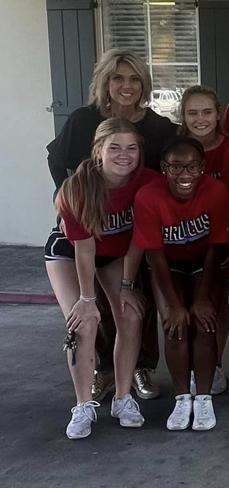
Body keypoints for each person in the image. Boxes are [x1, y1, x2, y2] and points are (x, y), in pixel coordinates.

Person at [47, 48, 176, 403]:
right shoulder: (82, 121)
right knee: (89, 310)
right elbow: (56, 160)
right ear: (104, 81)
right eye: (118, 77)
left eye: (135, 78)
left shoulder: (157, 126)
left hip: (131, 231)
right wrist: (68, 201)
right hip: (88, 226)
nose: (127, 85)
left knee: (135, 301)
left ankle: (140, 367)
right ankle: (101, 373)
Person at [46, 118, 152, 439]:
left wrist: (126, 286)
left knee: (130, 315)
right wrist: (88, 300)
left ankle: (122, 398)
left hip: (116, 255)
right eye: (115, 147)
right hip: (71, 254)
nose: (124, 155)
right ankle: (83, 405)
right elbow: (85, 250)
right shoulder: (77, 187)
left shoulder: (146, 182)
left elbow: (138, 240)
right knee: (85, 322)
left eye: (132, 148)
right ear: (98, 151)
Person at [132, 137, 229, 430]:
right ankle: (181, 398)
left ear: (203, 168)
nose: (184, 175)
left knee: (204, 322)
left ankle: (203, 398)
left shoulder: (217, 192)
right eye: (176, 167)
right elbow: (155, 255)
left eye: (191, 167)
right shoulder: (148, 196)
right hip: (168, 265)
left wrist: (202, 298)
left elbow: (215, 248)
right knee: (174, 325)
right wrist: (175, 305)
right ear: (163, 168)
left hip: (205, 263)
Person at [177, 86, 229, 392]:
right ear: (183, 117)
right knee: (184, 303)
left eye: (207, 112)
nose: (201, 119)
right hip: (180, 240)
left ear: (218, 113)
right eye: (193, 113)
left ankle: (214, 363)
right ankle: (187, 365)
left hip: (221, 239)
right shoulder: (173, 150)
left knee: (216, 301)